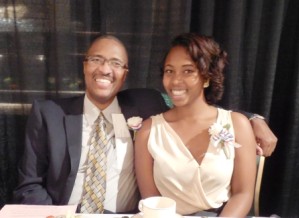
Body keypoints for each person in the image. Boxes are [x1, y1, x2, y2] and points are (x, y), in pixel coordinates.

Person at [13, 34, 275, 214]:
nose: (105, 69)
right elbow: (29, 185)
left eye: (116, 63)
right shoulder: (49, 114)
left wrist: (254, 119)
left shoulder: (144, 104)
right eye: (96, 60)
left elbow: (198, 108)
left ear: (125, 73)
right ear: (83, 66)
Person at [134, 33, 257, 217]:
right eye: (169, 71)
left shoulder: (237, 124)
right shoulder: (148, 131)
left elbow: (243, 194)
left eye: (188, 71)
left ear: (207, 77)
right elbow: (151, 198)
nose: (175, 81)